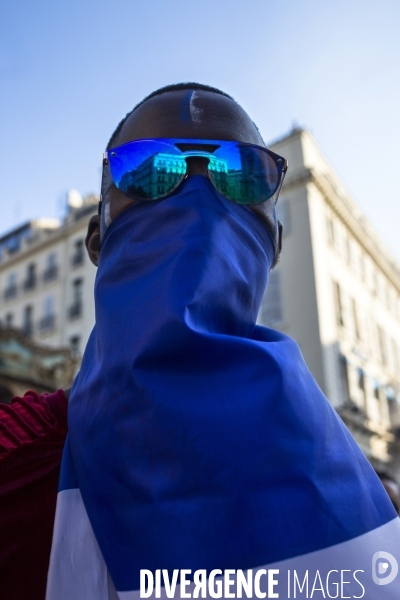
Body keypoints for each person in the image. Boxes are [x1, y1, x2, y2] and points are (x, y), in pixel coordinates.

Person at [1, 83, 399, 600]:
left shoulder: (374, 494)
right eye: (148, 169)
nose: (198, 196)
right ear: (97, 238)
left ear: (274, 241)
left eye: (243, 174)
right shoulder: (15, 461)